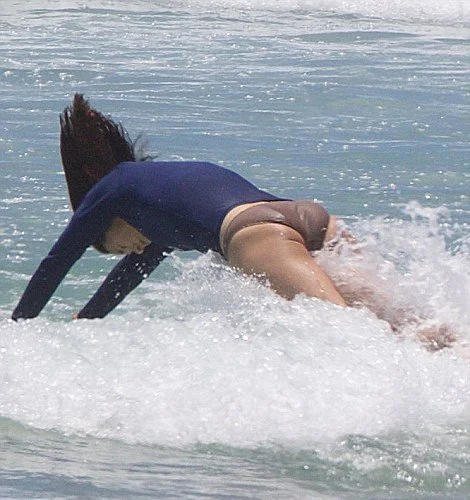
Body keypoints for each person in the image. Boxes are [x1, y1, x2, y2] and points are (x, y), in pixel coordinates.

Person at [11, 95, 455, 351]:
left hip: (258, 236)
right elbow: (129, 278)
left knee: (355, 341)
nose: (133, 249)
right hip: (310, 219)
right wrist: (88, 320)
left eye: (118, 245)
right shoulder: (162, 198)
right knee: (404, 327)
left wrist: (16, 330)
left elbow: (58, 259)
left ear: (108, 219)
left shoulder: (111, 189)